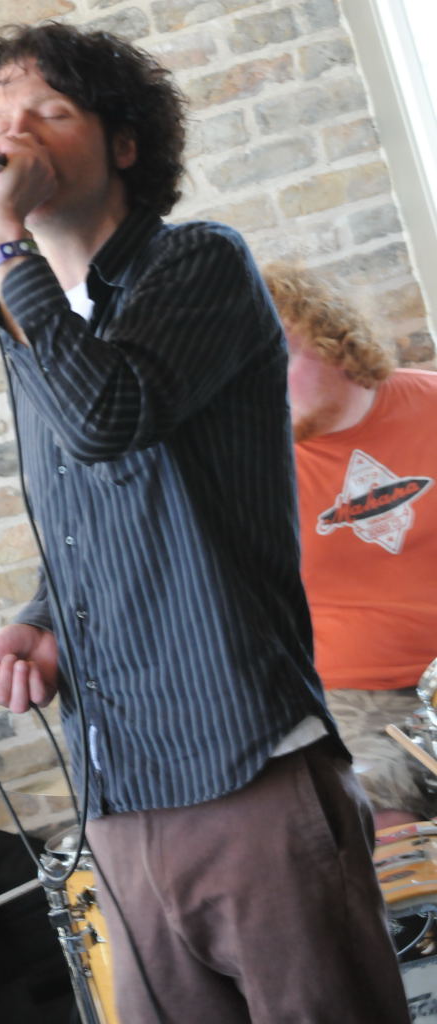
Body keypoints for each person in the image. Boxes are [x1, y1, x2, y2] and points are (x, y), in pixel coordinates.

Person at [0, 23, 410, 1023]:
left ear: (124, 143)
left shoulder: (198, 263)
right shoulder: (43, 321)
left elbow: (107, 419)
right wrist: (43, 622)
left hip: (245, 768)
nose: (12, 136)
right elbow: (100, 512)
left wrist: (6, 243)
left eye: (49, 112)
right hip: (120, 791)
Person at [263, 261, 437, 831]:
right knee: (363, 813)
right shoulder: (253, 473)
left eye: (277, 359)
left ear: (335, 342)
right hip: (356, 694)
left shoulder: (430, 404)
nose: (263, 386)